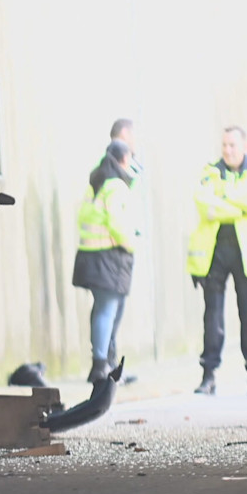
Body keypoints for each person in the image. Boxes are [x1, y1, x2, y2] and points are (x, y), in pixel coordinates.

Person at [188, 126, 247, 395]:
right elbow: (205, 205)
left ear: (244, 147)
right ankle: (208, 376)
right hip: (215, 253)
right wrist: (238, 207)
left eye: (232, 145)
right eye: (224, 145)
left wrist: (223, 197)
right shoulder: (209, 173)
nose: (227, 150)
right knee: (212, 317)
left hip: (246, 254)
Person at [72, 139, 137, 382]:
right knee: (107, 311)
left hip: (89, 255)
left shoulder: (95, 184)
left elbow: (83, 217)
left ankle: (101, 362)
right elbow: (117, 222)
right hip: (109, 257)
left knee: (101, 309)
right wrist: (131, 243)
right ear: (124, 160)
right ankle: (101, 365)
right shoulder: (116, 186)